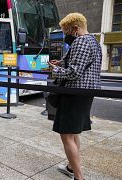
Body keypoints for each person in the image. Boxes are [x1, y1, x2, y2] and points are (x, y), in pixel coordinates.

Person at [48, 13, 102, 180]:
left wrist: (55, 70)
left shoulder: (81, 42)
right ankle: (71, 167)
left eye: (66, 31)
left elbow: (74, 72)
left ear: (76, 29)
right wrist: (61, 63)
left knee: (66, 134)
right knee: (73, 133)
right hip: (85, 93)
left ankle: (79, 176)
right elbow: (81, 64)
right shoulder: (93, 41)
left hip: (74, 93)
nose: (65, 35)